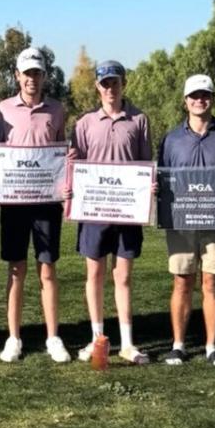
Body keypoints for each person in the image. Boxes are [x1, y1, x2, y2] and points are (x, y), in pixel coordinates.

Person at [0, 47, 72, 363]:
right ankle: (14, 338)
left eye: (37, 73)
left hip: (47, 202)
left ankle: (53, 337)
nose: (32, 78)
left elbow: (62, 152)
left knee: (47, 269)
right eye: (27, 73)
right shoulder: (4, 109)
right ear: (18, 76)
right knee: (16, 269)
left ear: (43, 76)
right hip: (15, 203)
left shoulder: (57, 110)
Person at [157, 74, 215, 367]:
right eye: (194, 95)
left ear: (213, 99)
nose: (200, 100)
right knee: (182, 281)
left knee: (211, 283)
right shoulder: (171, 139)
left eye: (205, 95)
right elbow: (162, 175)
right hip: (181, 222)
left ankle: (212, 347)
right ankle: (179, 345)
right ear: (185, 101)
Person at [72, 60, 153, 365]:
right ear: (97, 87)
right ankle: (97, 339)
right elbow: (75, 164)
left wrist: (149, 187)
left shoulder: (139, 120)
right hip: (94, 211)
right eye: (104, 83)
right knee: (94, 273)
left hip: (127, 212)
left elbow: (146, 164)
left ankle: (128, 343)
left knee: (123, 276)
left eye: (115, 83)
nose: (110, 89)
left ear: (124, 84)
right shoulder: (84, 123)